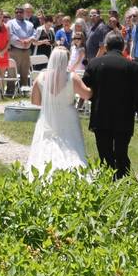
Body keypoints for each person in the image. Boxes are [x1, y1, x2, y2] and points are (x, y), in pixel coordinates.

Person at [82, 32, 138, 180]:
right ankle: (122, 182)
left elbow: (85, 88)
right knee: (121, 153)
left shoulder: (94, 64)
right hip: (123, 117)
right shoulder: (132, 66)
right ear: (123, 46)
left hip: (101, 115)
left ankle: (107, 181)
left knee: (104, 153)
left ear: (105, 46)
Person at [26, 47, 93, 178]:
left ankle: (44, 172)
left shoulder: (40, 77)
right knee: (71, 145)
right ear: (66, 60)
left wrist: (50, 102)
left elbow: (35, 101)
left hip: (48, 116)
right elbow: (86, 94)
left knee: (47, 143)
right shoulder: (72, 77)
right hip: (68, 116)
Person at [7, 5, 35, 89]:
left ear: (24, 13)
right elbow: (10, 35)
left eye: (21, 12)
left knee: (25, 72)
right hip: (15, 50)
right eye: (17, 12)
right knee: (12, 72)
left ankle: (24, 90)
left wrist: (29, 40)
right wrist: (21, 41)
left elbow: (34, 34)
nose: (19, 14)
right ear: (14, 13)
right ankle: (10, 91)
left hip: (26, 51)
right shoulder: (10, 23)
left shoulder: (30, 24)